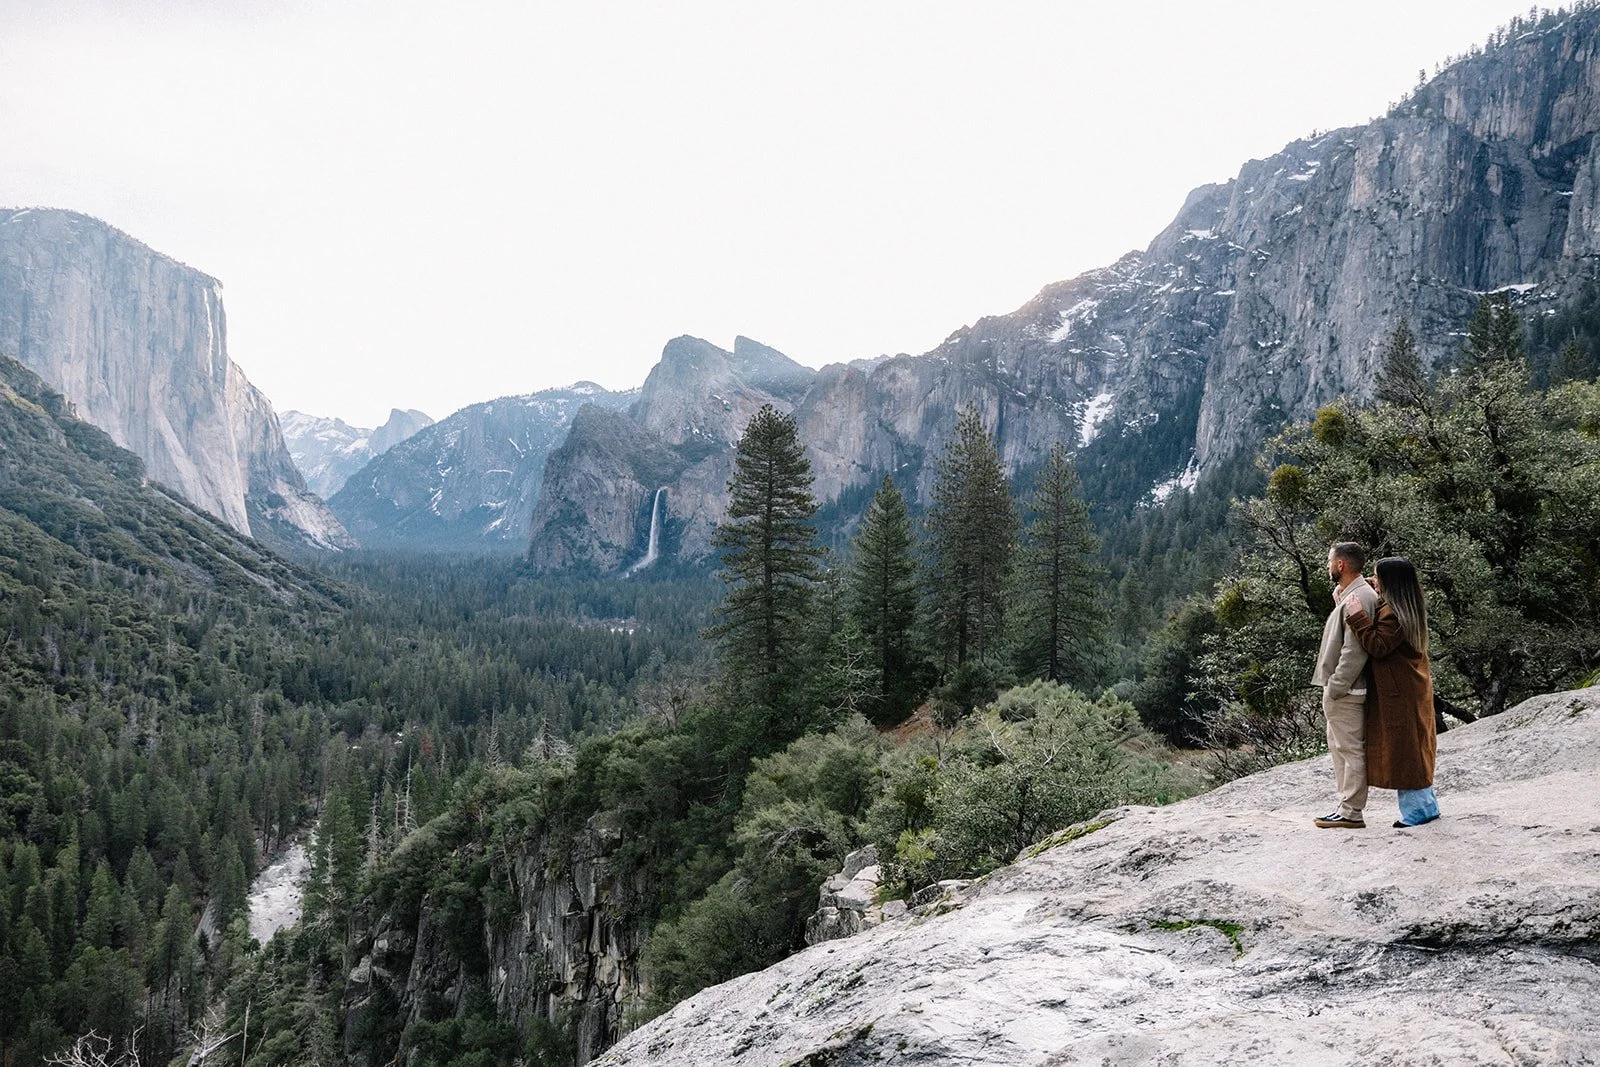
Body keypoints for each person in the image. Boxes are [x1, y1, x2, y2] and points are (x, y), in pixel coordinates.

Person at [1343, 557, 1441, 828]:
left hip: (1400, 693)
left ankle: (1417, 812)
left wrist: (1356, 616)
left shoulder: (1394, 614)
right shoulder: (1405, 609)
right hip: (1409, 688)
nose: (1374, 581)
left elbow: (1377, 646)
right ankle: (1427, 805)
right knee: (1415, 746)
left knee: (1405, 751)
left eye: (1377, 576)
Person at [1311, 542, 1380, 829]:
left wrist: (1337, 685)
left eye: (1330, 561)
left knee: (1349, 749)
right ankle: (1345, 806)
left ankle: (1351, 810)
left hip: (1348, 690)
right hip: (1344, 689)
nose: (1328, 565)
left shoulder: (1360, 597)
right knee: (1339, 747)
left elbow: (1354, 650)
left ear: (1341, 564)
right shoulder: (1353, 594)